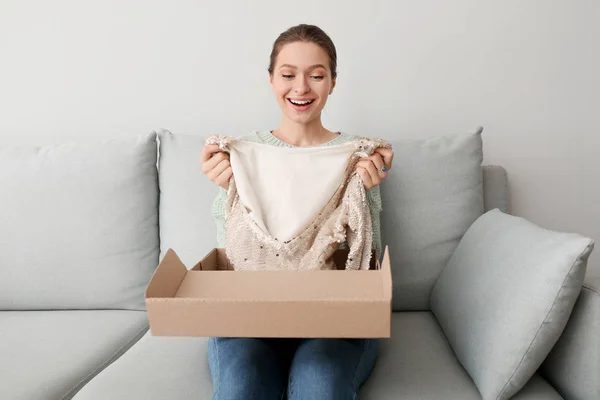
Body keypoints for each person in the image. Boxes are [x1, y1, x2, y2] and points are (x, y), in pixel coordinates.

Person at [199, 23, 393, 400]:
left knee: (320, 385)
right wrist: (230, 189)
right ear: (271, 80)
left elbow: (364, 265)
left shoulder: (356, 155)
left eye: (316, 76)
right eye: (288, 75)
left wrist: (367, 191)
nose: (301, 88)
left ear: (333, 82)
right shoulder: (243, 153)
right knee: (241, 388)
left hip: (332, 319)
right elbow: (232, 255)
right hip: (249, 317)